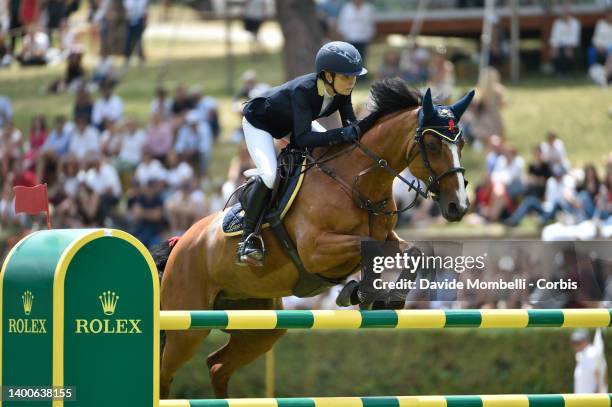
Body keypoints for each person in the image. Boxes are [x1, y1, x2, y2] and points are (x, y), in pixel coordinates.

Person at [238, 40, 366, 267]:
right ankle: (249, 238)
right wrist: (342, 134)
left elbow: (350, 125)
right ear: (327, 76)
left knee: (329, 153)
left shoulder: (342, 89)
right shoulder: (304, 91)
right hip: (261, 123)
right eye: (347, 77)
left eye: (354, 77)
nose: (352, 82)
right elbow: (304, 139)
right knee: (269, 175)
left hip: (294, 124)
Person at [337, 0, 375, 70]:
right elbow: (342, 23)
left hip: (363, 38)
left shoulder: (368, 8)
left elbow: (370, 24)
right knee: (349, 57)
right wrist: (342, 35)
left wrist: (370, 36)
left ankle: (362, 74)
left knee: (362, 57)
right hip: (349, 38)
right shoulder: (346, 8)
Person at [571, 329, 608, 394]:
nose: (575, 346)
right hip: (583, 399)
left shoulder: (591, 354)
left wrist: (596, 396)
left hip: (591, 400)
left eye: (578, 343)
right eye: (574, 343)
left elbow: (600, 376)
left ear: (585, 341)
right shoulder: (581, 354)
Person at [549, 8, 581, 76]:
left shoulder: (575, 23)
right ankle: (560, 72)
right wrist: (554, 47)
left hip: (572, 46)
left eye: (566, 14)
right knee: (556, 52)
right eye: (563, 14)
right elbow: (554, 37)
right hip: (559, 45)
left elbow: (575, 38)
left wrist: (569, 46)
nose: (564, 16)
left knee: (566, 51)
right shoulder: (557, 23)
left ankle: (568, 72)